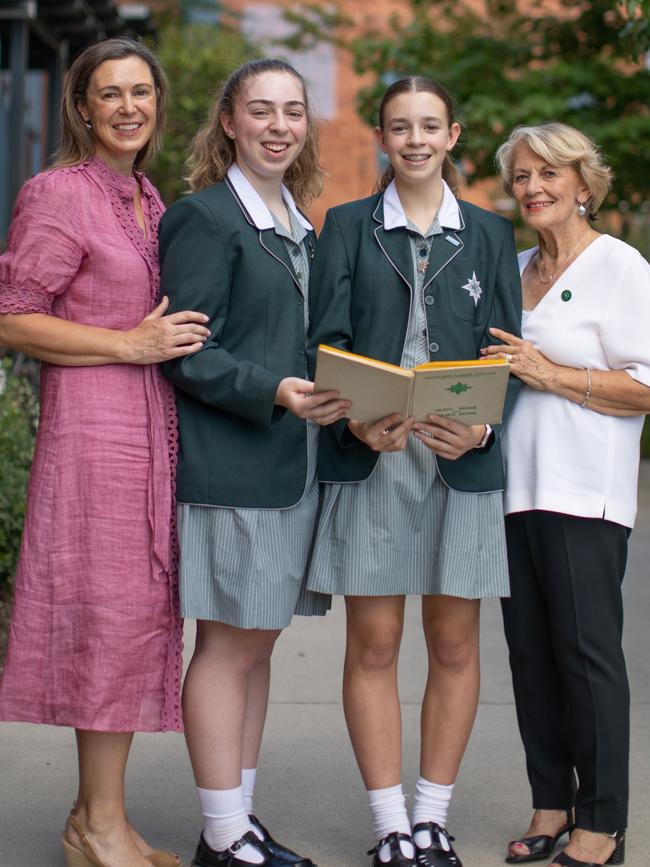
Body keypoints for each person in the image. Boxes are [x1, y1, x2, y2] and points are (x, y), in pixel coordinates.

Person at [0, 37, 212, 867]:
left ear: (158, 104)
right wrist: (129, 344)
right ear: (81, 108)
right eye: (109, 94)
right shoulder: (60, 192)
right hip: (93, 435)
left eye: (141, 92)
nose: (128, 107)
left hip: (148, 433)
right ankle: (98, 826)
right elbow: (14, 316)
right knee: (109, 621)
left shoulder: (147, 196)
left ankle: (99, 820)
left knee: (129, 625)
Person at [306, 76, 522, 867]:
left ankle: (433, 817)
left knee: (456, 641)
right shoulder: (347, 227)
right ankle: (390, 823)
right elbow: (324, 339)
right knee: (374, 639)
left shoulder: (492, 234)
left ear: (455, 135)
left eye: (431, 125)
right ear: (383, 138)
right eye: (401, 127)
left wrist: (485, 424)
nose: (417, 139)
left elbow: (507, 350)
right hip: (375, 458)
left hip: (458, 461)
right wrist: (356, 416)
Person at [158, 59, 350, 867]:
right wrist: (272, 388)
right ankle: (223, 831)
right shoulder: (206, 217)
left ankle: (234, 819)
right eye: (261, 110)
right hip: (235, 463)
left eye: (293, 111)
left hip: (290, 464)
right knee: (228, 647)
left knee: (256, 647)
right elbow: (185, 351)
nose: (279, 125)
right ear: (229, 122)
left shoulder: (298, 221)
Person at [483, 121, 650, 867]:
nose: (533, 188)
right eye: (520, 176)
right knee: (530, 655)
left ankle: (603, 818)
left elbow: (645, 386)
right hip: (510, 492)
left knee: (586, 657)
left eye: (548, 174)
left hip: (585, 496)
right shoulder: (513, 266)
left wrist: (549, 373)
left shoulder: (621, 267)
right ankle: (550, 800)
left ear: (584, 183)